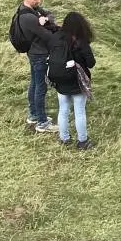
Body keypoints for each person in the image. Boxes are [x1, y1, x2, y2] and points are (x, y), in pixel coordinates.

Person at [49, 11, 97, 150]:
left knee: (63, 109)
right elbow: (91, 63)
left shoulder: (56, 37)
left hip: (60, 78)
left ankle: (64, 138)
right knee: (79, 111)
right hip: (77, 80)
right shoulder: (80, 41)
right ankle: (82, 141)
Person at [15, 0, 59, 133]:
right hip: (39, 55)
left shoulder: (32, 10)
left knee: (34, 84)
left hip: (35, 53)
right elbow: (47, 35)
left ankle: (33, 115)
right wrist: (47, 23)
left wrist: (45, 19)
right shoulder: (28, 17)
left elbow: (51, 15)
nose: (39, 1)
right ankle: (42, 122)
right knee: (40, 87)